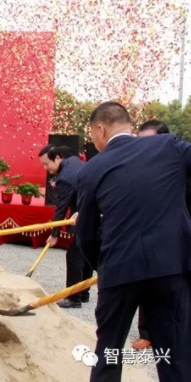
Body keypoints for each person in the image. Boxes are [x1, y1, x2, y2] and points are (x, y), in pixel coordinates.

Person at [75, 102, 191, 382]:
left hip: (119, 270)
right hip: (169, 267)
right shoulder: (168, 147)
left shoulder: (92, 169)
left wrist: (104, 265)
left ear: (100, 129)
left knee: (108, 351)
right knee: (175, 353)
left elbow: (85, 234)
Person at [132, 119, 191, 351]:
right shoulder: (142, 170)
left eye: (150, 142)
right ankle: (147, 332)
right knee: (149, 284)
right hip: (156, 238)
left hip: (183, 234)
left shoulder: (181, 162)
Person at [38, 145, 93, 308]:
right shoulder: (73, 160)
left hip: (85, 216)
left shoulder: (65, 178)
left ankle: (74, 298)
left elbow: (61, 208)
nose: (45, 168)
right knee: (86, 254)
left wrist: (54, 234)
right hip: (92, 211)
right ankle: (83, 292)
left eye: (47, 164)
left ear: (57, 158)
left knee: (74, 256)